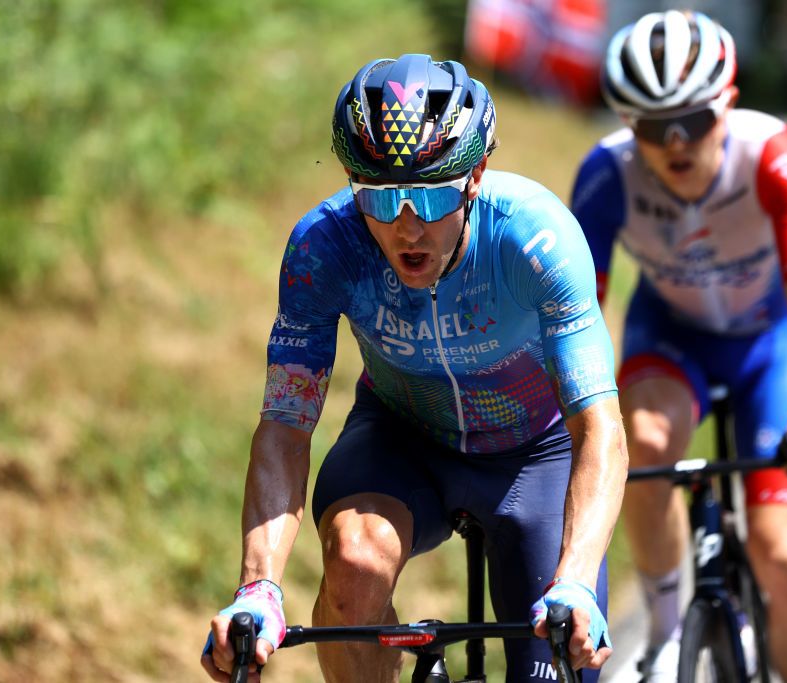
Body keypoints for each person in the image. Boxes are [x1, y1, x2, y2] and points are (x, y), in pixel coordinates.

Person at [200, 53, 630, 682]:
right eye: (380, 195)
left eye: (431, 196)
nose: (407, 225)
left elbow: (600, 432)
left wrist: (576, 582)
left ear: (477, 174)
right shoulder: (324, 249)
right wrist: (258, 589)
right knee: (353, 563)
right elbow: (286, 427)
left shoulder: (537, 240)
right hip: (403, 439)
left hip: (533, 453)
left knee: (562, 654)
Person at [571, 11, 787, 683]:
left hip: (765, 347)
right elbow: (577, 316)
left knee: (785, 555)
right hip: (671, 339)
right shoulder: (607, 175)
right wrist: (576, 421)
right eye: (656, 128)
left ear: (728, 105)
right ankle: (665, 635)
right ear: (631, 128)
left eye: (694, 120)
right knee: (647, 441)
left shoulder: (773, 155)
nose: (677, 143)